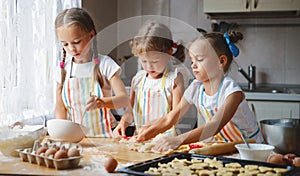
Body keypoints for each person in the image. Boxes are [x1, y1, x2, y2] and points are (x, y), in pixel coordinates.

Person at [136, 31, 264, 151]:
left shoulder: (231, 92)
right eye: (192, 60)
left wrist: (179, 140)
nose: (193, 65)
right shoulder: (196, 88)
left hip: (251, 150)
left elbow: (214, 125)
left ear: (221, 61)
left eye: (200, 60)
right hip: (224, 148)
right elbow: (170, 118)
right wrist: (149, 131)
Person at [54, 8, 129, 137]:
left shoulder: (105, 65)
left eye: (76, 42)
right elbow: (61, 108)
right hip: (76, 141)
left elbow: (123, 100)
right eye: (65, 44)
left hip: (104, 139)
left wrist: (102, 103)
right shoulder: (63, 70)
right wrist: (62, 135)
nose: (71, 49)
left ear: (91, 35)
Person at [113, 21, 185, 137]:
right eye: (144, 61)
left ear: (169, 54)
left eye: (154, 61)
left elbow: (177, 116)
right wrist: (122, 123)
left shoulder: (174, 78)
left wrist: (154, 126)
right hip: (140, 141)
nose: (149, 66)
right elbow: (130, 112)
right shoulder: (138, 80)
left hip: (166, 141)